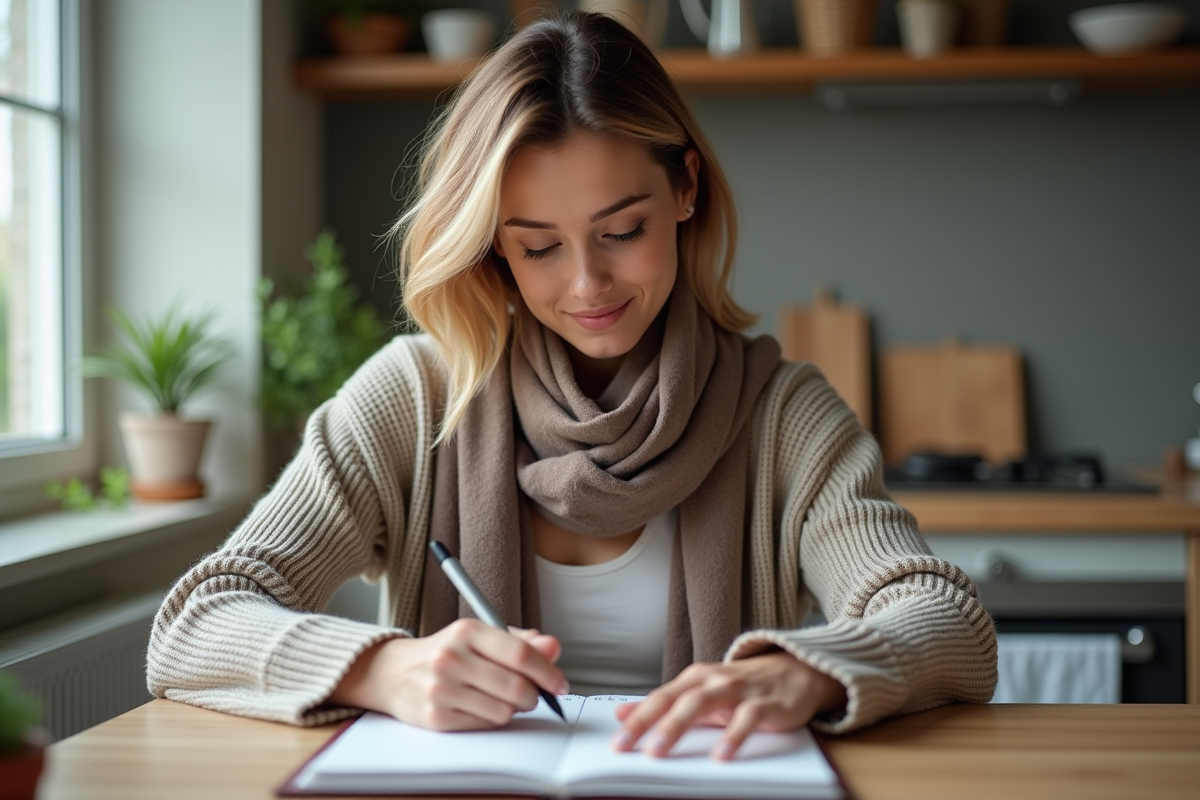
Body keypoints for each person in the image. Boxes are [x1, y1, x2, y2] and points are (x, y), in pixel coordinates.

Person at [147, 12, 997, 760]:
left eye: (621, 230)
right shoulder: (413, 400)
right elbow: (195, 624)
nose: (588, 284)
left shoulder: (783, 416)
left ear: (686, 188)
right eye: (539, 246)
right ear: (492, 243)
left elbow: (948, 621)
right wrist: (386, 669)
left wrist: (808, 673)